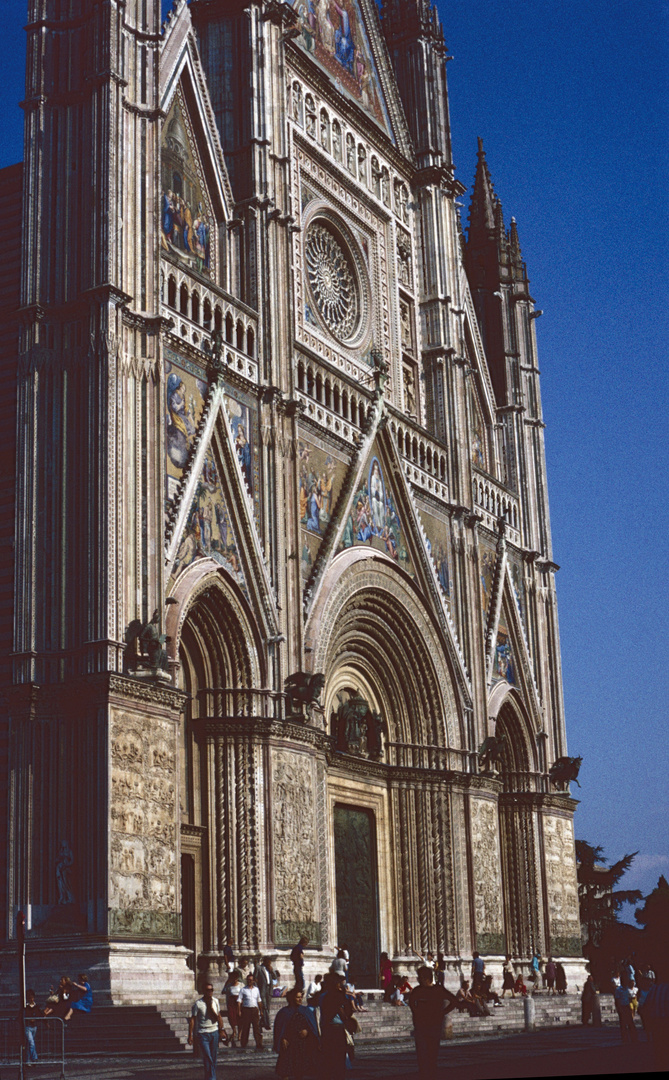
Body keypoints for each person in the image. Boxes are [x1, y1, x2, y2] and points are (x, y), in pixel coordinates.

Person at [408, 965, 459, 1078]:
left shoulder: (433, 990)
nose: (418, 980)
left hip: (430, 1025)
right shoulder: (420, 990)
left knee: (430, 1051)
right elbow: (411, 1003)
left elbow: (454, 1001)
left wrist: (442, 1012)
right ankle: (426, 1073)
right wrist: (441, 1012)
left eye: (420, 977)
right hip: (425, 1025)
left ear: (426, 978)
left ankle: (429, 1073)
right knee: (425, 1052)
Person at [274, 986, 320, 1080]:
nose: (300, 999)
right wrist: (282, 1038)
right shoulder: (284, 1012)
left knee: (299, 1069)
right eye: (297, 997)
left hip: (301, 1044)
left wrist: (307, 1031)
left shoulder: (305, 1011)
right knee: (285, 1069)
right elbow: (280, 1029)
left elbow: (312, 1026)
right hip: (288, 1043)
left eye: (301, 997)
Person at [319, 971, 355, 1080]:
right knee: (339, 1058)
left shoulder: (322, 996)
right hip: (337, 1030)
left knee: (329, 1058)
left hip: (326, 1028)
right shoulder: (337, 996)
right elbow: (346, 1012)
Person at [188, 982, 226, 1080]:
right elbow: (193, 1019)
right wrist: (190, 1035)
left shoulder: (215, 1001)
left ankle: (208, 1077)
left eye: (211, 990)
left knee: (213, 1057)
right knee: (207, 1056)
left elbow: (219, 1016)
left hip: (214, 1032)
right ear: (204, 991)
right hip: (203, 1033)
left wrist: (222, 1029)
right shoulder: (198, 1004)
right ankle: (212, 1078)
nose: (209, 992)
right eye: (207, 990)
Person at [239, 972, 264, 1050]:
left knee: (256, 1027)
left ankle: (259, 1043)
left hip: (254, 1009)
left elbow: (259, 1000)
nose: (250, 981)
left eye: (251, 980)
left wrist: (261, 1011)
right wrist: (239, 1011)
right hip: (246, 1009)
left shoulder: (256, 989)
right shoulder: (243, 990)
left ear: (253, 981)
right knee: (246, 1027)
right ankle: (243, 1043)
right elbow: (239, 1000)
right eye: (248, 980)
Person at [614, 973, 638, 1043]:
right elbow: (617, 1000)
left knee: (631, 1023)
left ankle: (634, 1038)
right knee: (623, 1024)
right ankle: (625, 1039)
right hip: (622, 1007)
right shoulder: (618, 989)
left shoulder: (627, 989)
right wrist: (619, 1009)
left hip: (627, 1006)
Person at [223, 968, 243, 1046]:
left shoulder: (241, 985)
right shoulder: (229, 986)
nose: (234, 979)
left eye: (235, 978)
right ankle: (234, 1031)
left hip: (239, 1002)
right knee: (231, 1017)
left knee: (240, 1018)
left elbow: (243, 994)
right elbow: (225, 992)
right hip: (231, 1002)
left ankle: (240, 1034)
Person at [256, 957, 275, 1031]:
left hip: (269, 989)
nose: (269, 964)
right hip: (262, 989)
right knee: (265, 1006)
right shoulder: (259, 968)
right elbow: (255, 978)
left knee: (268, 1006)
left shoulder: (269, 969)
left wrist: (272, 970)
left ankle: (262, 1022)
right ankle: (267, 1023)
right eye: (268, 962)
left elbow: (275, 977)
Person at [24, 988, 40, 1064]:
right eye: (30, 998)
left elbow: (39, 1014)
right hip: (28, 1027)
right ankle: (34, 1057)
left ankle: (27, 1060)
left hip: (34, 1027)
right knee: (31, 1043)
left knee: (29, 1044)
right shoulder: (26, 1007)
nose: (31, 999)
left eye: (32, 997)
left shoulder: (36, 1006)